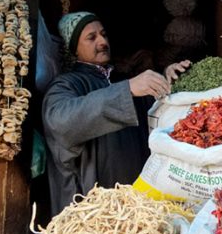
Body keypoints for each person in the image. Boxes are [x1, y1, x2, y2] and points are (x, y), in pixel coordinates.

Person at [42, 11, 190, 216]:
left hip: (136, 205)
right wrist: (127, 89)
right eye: (91, 37)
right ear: (74, 48)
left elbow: (151, 113)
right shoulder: (66, 84)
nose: (102, 41)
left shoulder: (119, 79)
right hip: (92, 212)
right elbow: (60, 121)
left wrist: (167, 80)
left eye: (103, 34)